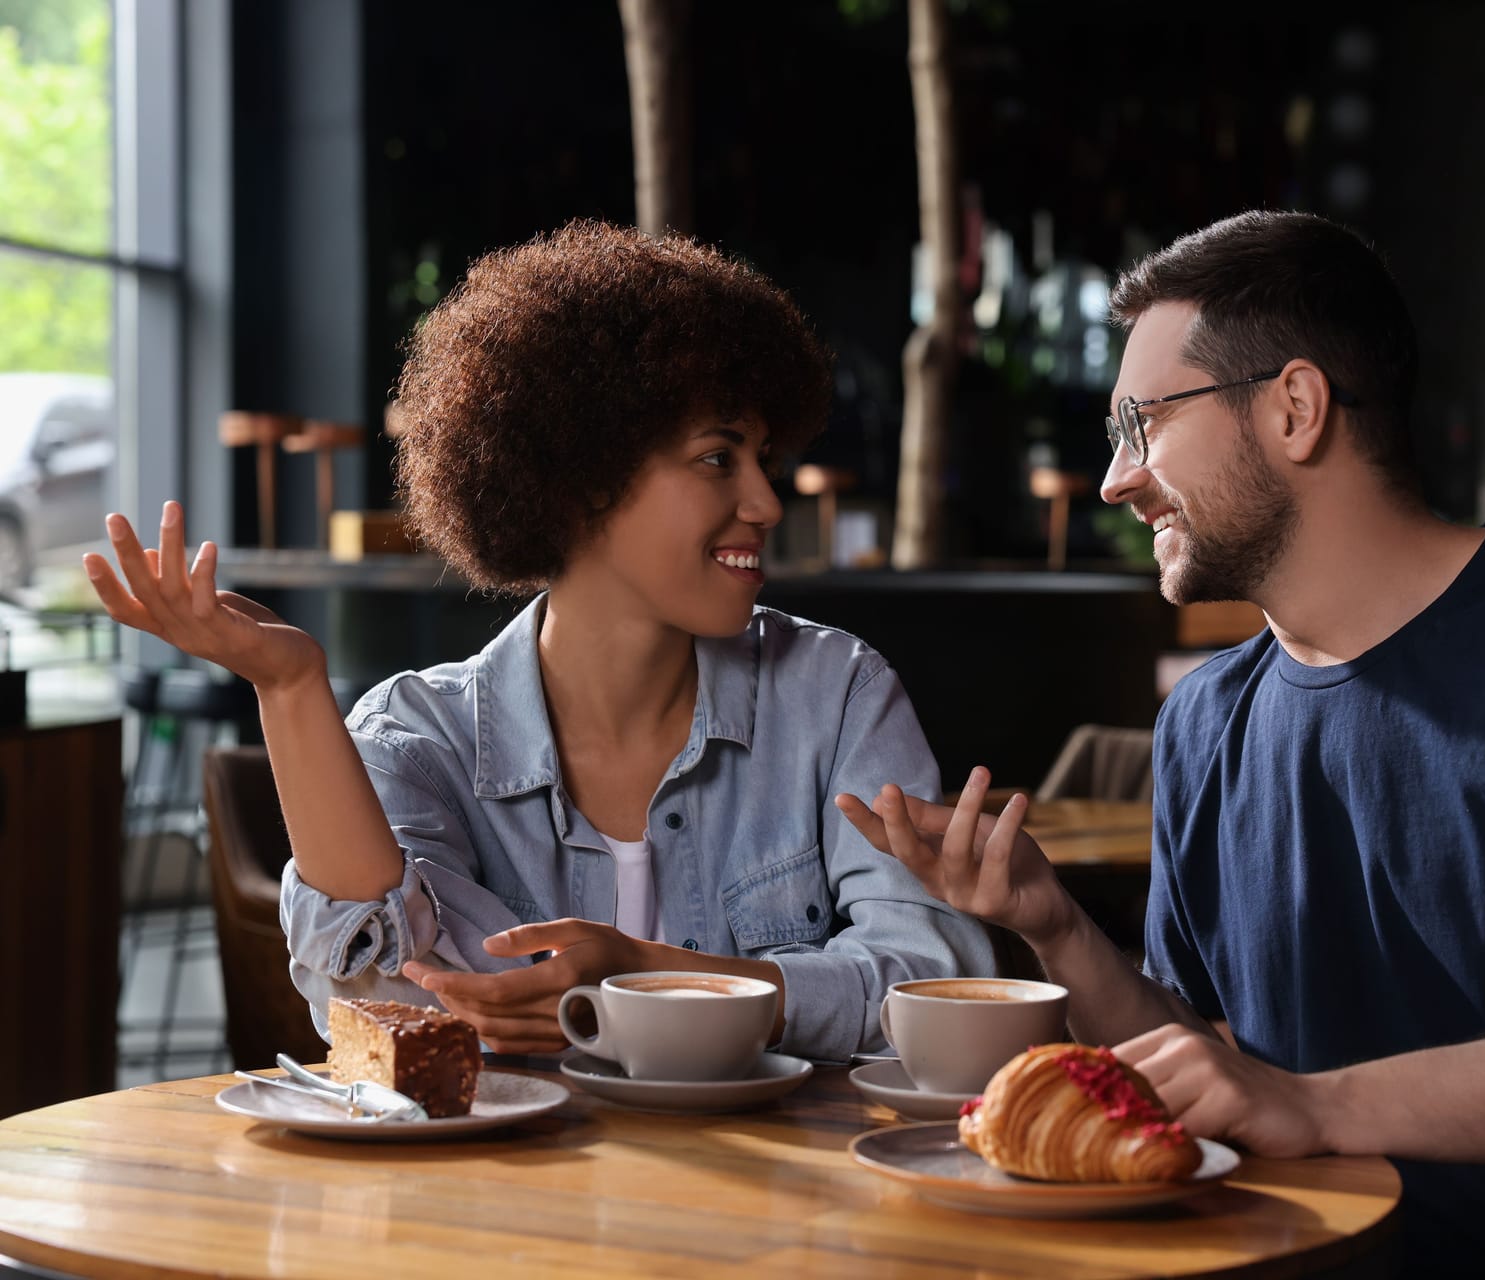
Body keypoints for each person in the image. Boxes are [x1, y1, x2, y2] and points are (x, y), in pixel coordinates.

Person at [838, 210, 1485, 1275]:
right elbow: (1216, 1065)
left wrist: (1316, 1104)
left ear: (1296, 408)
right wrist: (1059, 928)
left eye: (1142, 422)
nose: (1117, 478)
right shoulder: (1205, 718)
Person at [87, 221, 992, 1064]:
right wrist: (290, 689)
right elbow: (376, 986)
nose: (764, 502)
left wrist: (653, 980)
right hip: (513, 1223)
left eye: (765, 459)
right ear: (580, 482)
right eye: (720, 458)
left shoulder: (834, 694)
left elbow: (934, 984)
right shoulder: (420, 734)